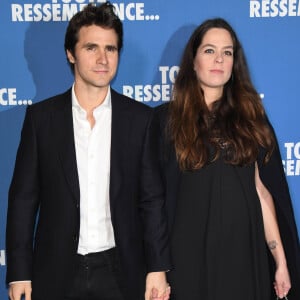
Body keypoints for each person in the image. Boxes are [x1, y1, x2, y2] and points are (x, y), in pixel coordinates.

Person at [6, 3, 171, 300]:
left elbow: (151, 200)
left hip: (121, 271)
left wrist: (157, 268)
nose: (102, 59)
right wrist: (19, 272)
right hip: (56, 271)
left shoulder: (141, 120)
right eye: (91, 47)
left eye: (111, 48)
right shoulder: (41, 120)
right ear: (71, 53)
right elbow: (23, 201)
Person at [155, 18, 300, 300]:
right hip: (186, 261)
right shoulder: (165, 121)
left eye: (227, 52)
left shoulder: (253, 120)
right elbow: (154, 202)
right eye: (209, 50)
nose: (219, 59)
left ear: (235, 63)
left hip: (244, 258)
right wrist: (157, 268)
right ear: (193, 60)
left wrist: (280, 261)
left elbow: (262, 192)